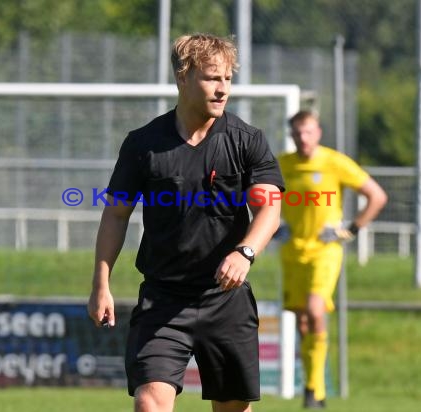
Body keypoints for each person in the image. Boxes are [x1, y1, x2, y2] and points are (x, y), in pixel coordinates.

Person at [87, 33, 285, 412]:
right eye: (212, 77)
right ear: (183, 77)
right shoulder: (143, 144)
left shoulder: (247, 141)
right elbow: (115, 215)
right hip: (163, 299)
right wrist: (101, 284)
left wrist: (245, 252)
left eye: (227, 79)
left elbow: (269, 209)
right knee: (150, 404)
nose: (222, 89)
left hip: (226, 300)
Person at [277, 110, 387, 409]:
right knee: (302, 321)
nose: (303, 138)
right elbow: (258, 195)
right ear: (292, 135)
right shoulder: (282, 165)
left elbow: (376, 196)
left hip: (325, 251)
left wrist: (350, 230)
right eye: (298, 133)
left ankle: (316, 389)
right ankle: (312, 387)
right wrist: (273, 224)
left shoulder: (333, 162)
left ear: (318, 132)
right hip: (293, 251)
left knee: (315, 309)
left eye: (308, 132)